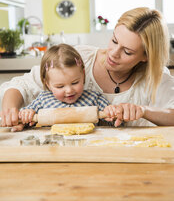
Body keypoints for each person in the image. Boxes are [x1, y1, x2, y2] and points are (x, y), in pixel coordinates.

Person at [1, 7, 174, 131]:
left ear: (146, 56)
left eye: (127, 52)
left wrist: (143, 111)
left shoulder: (157, 78)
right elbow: (20, 85)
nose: (113, 54)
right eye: (114, 41)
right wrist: (10, 114)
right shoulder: (79, 58)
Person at [18, 43, 111, 127]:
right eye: (60, 86)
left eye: (75, 83)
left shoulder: (94, 98)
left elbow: (113, 121)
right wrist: (26, 115)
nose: (69, 90)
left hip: (87, 144)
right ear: (48, 84)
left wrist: (113, 112)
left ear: (83, 75)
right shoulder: (43, 100)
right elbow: (23, 120)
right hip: (52, 144)